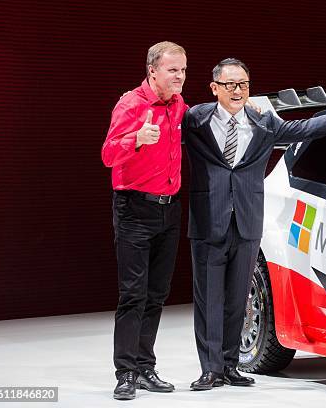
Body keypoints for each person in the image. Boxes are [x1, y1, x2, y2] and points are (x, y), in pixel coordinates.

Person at [182, 58, 326, 391]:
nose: (238, 90)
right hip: (208, 221)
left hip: (248, 221)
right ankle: (210, 369)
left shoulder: (263, 121)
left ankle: (230, 365)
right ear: (215, 88)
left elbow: (303, 129)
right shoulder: (196, 119)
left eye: (243, 83)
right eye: (230, 84)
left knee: (237, 300)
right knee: (209, 300)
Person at [101, 41, 188, 400]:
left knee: (157, 294)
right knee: (133, 295)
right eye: (173, 70)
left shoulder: (179, 106)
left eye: (183, 70)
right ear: (153, 70)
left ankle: (145, 366)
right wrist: (135, 139)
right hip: (135, 209)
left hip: (169, 209)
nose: (180, 77)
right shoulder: (131, 104)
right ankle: (125, 373)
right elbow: (107, 155)